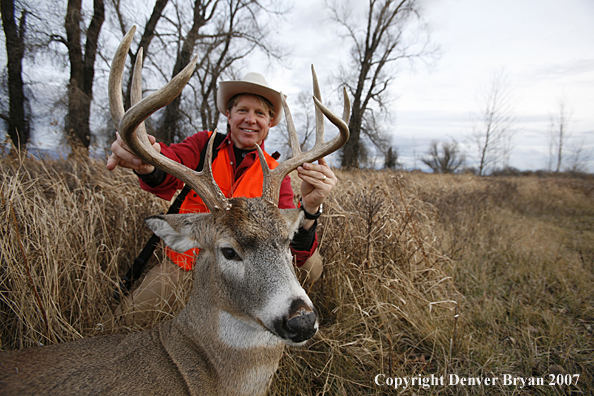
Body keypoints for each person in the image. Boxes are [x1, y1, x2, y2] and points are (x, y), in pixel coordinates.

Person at [106, 72, 336, 316]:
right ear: (229, 115)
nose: (250, 119)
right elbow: (169, 164)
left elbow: (289, 247)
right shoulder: (204, 145)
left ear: (270, 122)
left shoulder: (277, 174)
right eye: (242, 110)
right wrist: (148, 162)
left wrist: (310, 209)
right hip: (185, 267)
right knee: (125, 320)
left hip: (245, 279)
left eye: (260, 113)